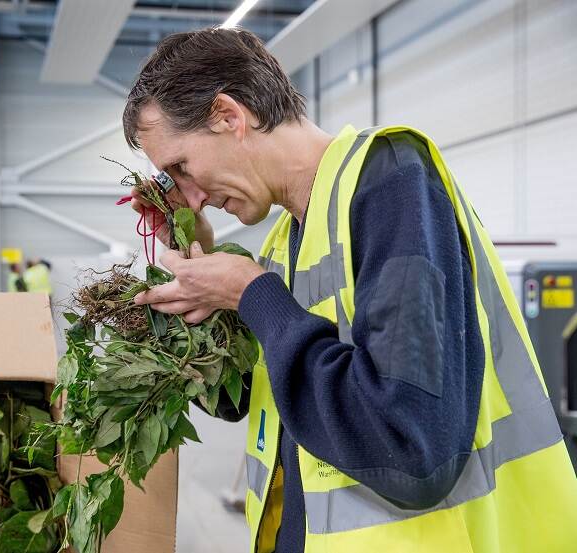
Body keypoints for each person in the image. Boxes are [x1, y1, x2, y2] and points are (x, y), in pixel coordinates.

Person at [123, 27, 577, 553]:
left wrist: (255, 294)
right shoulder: (283, 240)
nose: (193, 196)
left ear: (229, 116)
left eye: (181, 167)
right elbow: (237, 399)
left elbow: (411, 446)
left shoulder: (391, 182)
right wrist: (194, 261)